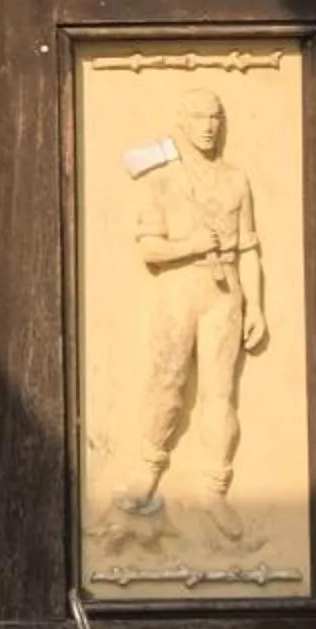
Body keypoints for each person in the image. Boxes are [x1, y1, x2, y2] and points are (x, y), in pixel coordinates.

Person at [111, 88, 265, 548]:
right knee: (168, 382)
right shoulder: (161, 180)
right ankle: (148, 470)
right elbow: (148, 248)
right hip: (179, 290)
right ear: (183, 120)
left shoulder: (237, 180)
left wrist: (255, 304)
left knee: (221, 394)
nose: (209, 125)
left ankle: (214, 490)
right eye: (199, 116)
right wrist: (191, 246)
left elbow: (250, 248)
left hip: (225, 293)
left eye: (216, 117)